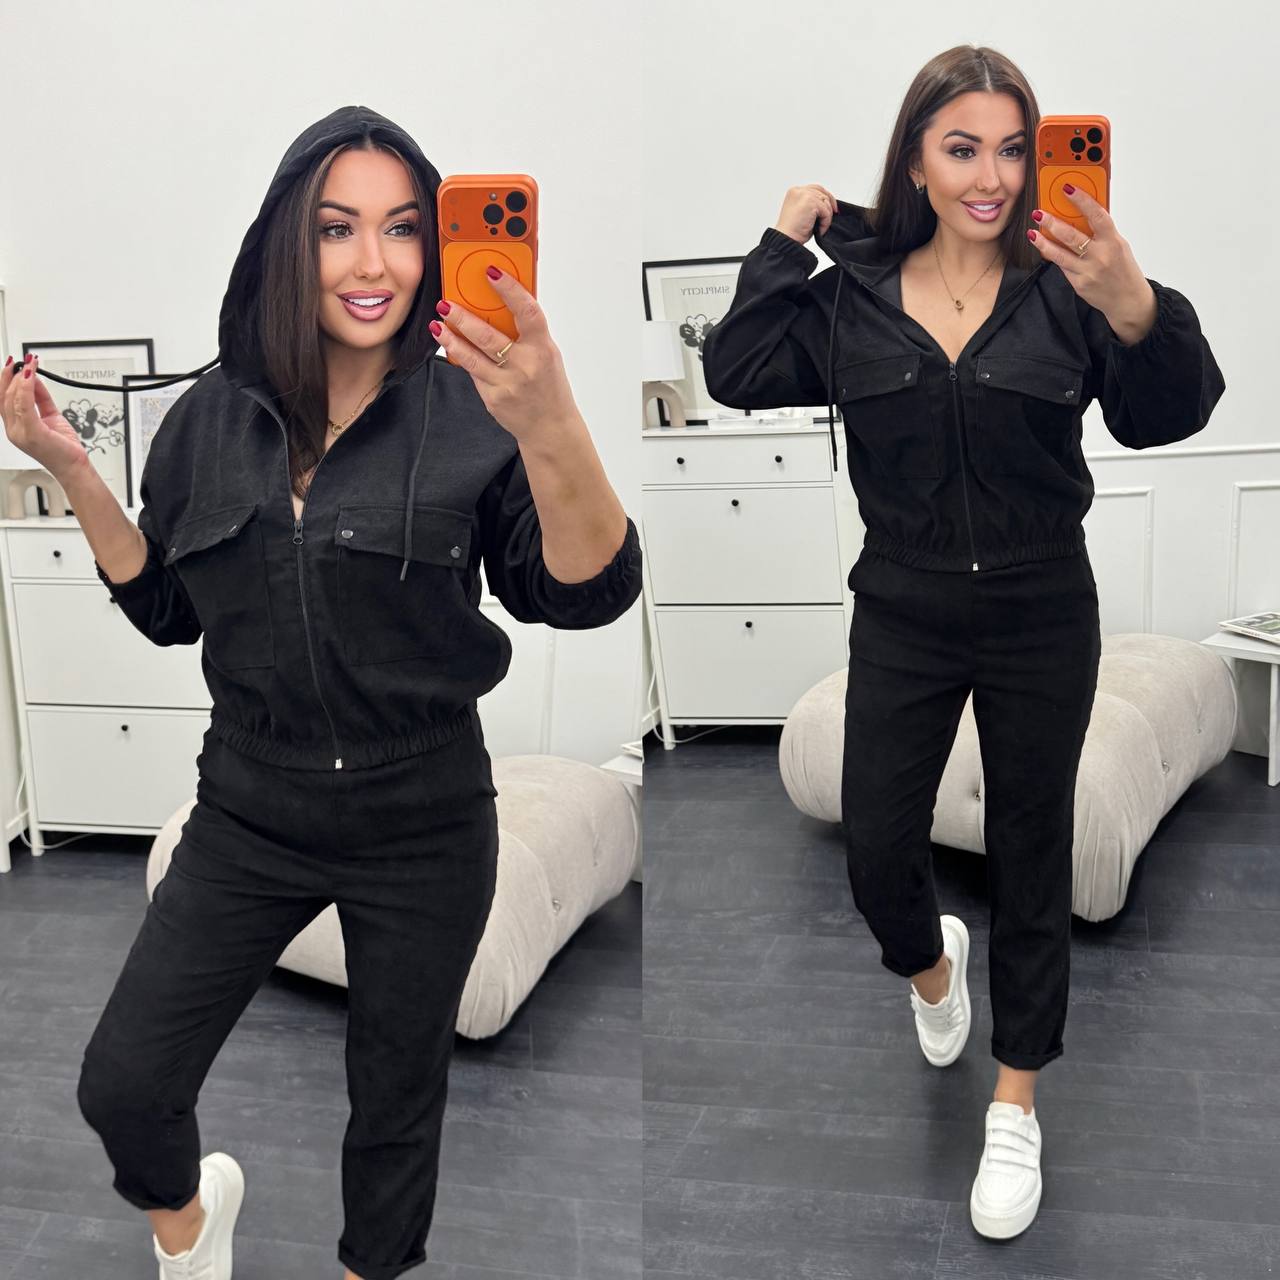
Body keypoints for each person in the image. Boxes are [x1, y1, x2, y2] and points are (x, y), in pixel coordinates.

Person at [0, 105, 641, 1280]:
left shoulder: (477, 409)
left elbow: (586, 591)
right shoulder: (206, 420)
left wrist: (550, 420)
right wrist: (72, 467)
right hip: (250, 806)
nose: (370, 262)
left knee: (393, 1108)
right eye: (337, 228)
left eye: (402, 228)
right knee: (124, 1082)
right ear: (287, 243)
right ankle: (192, 1224)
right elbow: (167, 607)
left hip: (424, 814)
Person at [700, 46, 1224, 1241]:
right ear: (916, 166)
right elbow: (733, 370)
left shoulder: (1069, 287)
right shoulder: (848, 299)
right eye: (960, 149)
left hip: (1042, 608)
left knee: (1031, 853)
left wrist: (1132, 302)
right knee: (876, 847)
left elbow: (1170, 410)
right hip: (902, 604)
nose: (989, 177)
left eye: (1010, 150)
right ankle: (932, 967)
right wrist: (781, 242)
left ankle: (1014, 1099)